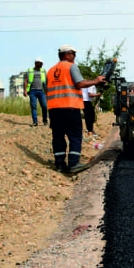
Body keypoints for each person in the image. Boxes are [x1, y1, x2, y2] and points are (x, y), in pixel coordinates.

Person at [46, 44, 107, 174]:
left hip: (54, 108)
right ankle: (73, 163)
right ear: (67, 54)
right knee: (75, 136)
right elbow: (80, 83)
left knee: (58, 136)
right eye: (74, 54)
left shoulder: (50, 70)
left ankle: (60, 164)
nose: (75, 57)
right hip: (70, 107)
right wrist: (96, 81)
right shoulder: (71, 66)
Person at [23, 57, 48, 127]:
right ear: (36, 63)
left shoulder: (43, 71)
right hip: (32, 91)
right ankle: (35, 121)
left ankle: (45, 120)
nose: (41, 65)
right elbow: (25, 80)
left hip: (41, 91)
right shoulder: (30, 70)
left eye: (42, 63)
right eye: (40, 63)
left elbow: (46, 81)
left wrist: (47, 90)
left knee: (44, 106)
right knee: (33, 106)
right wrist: (25, 90)